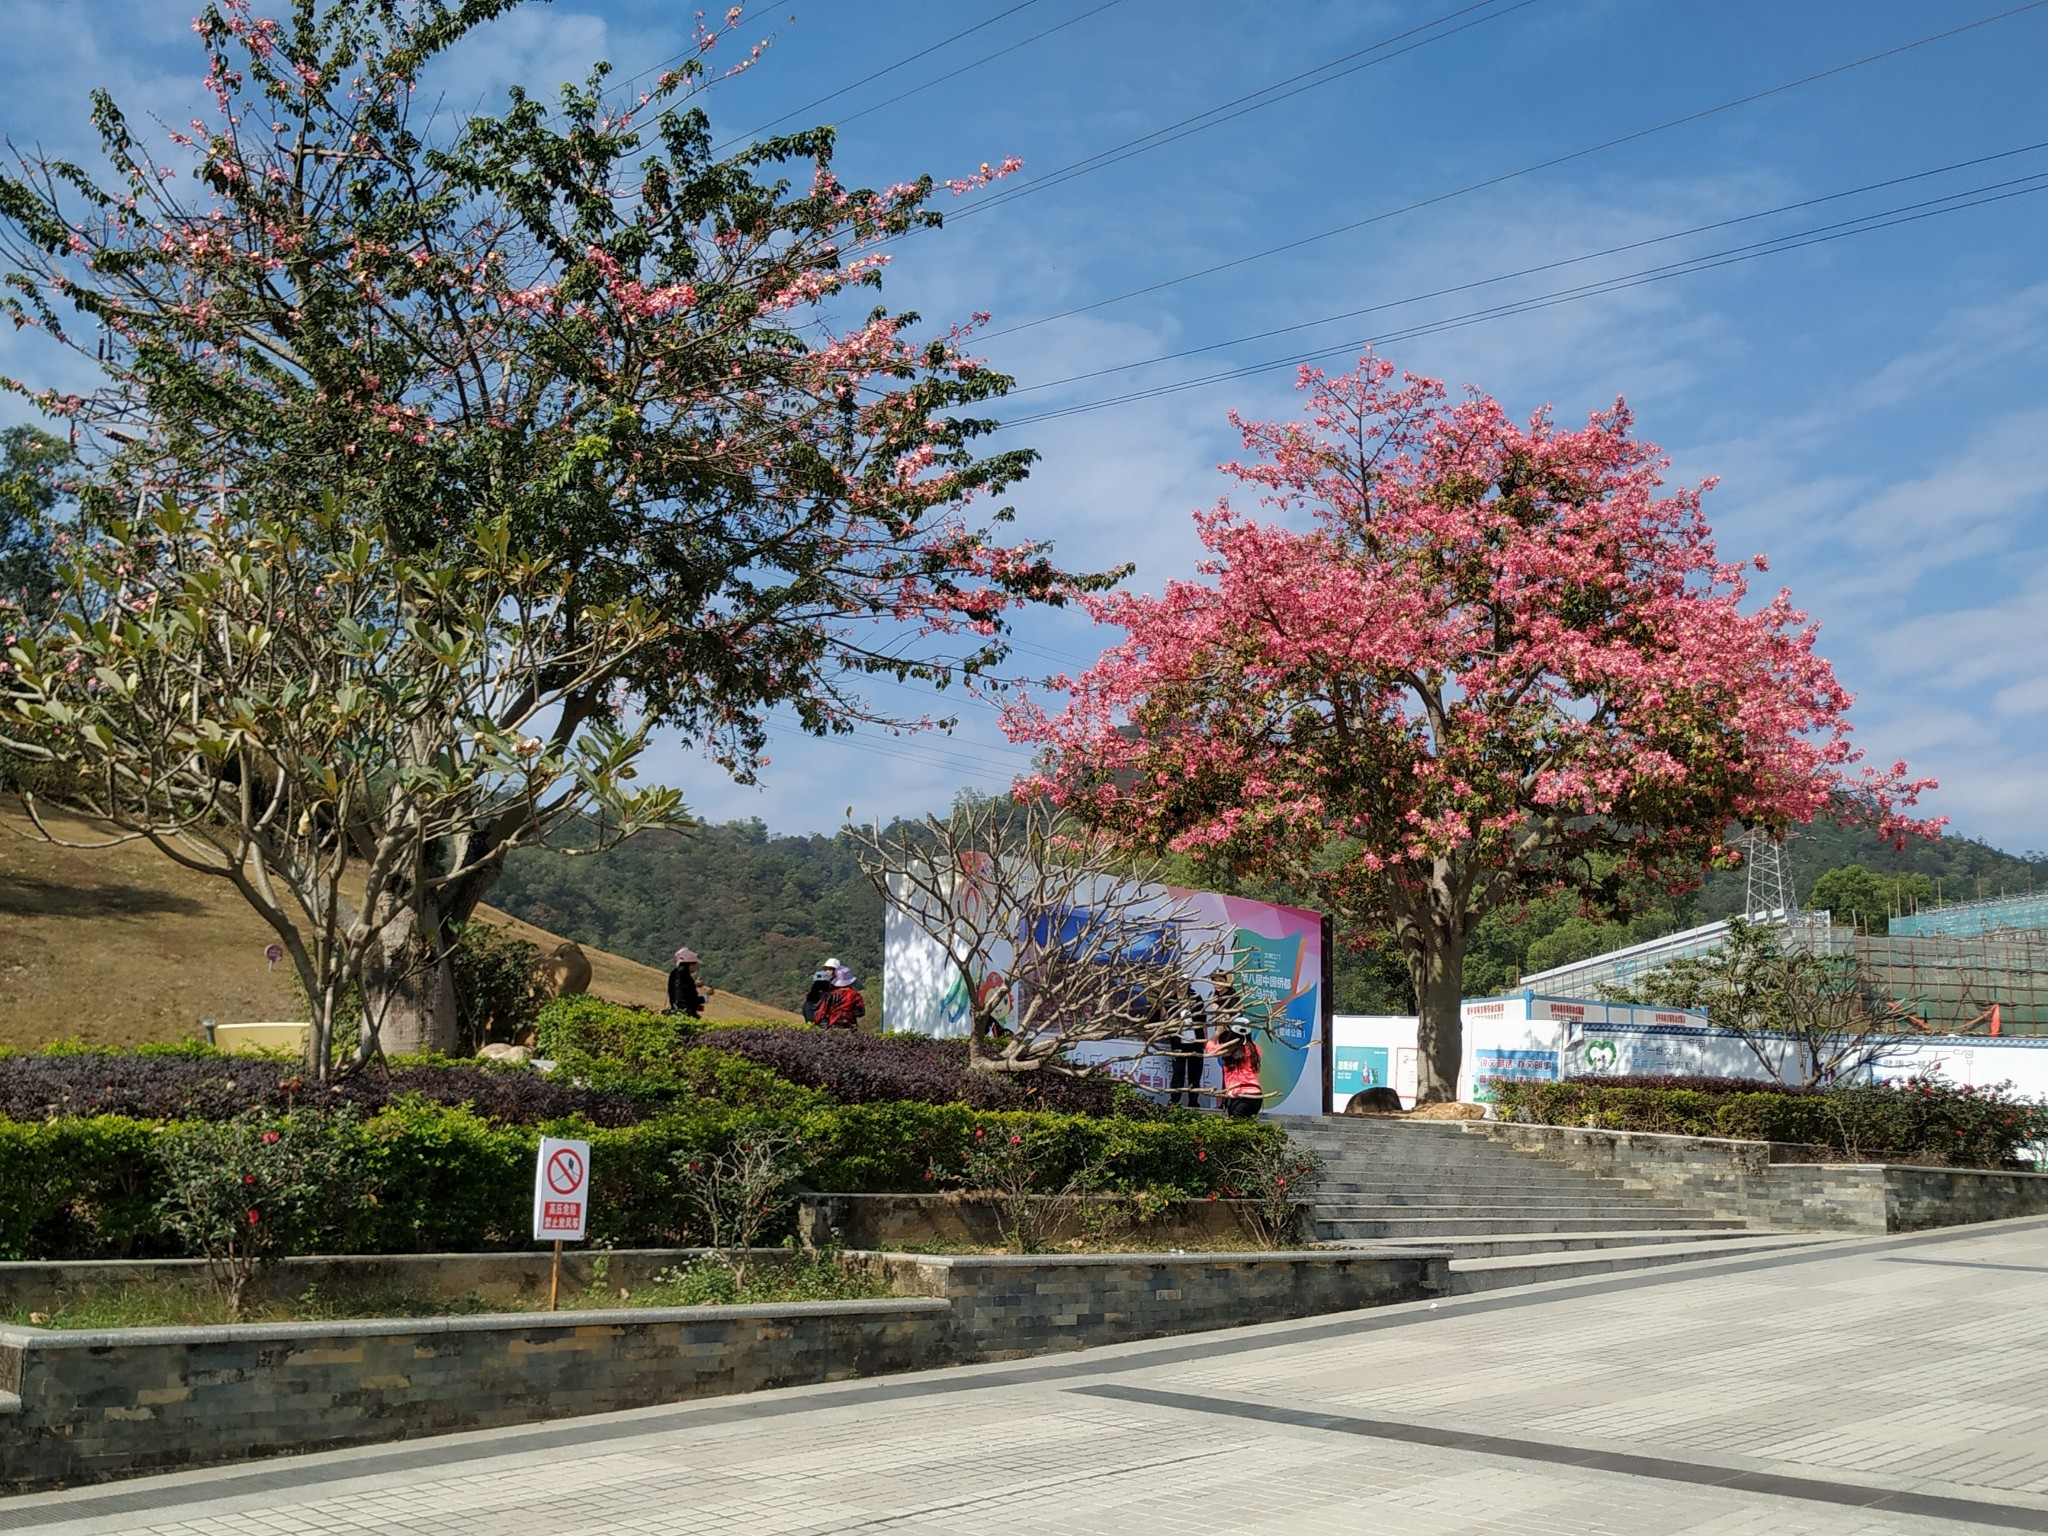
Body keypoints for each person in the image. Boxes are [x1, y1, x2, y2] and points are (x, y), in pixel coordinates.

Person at [1165, 980, 1209, 1109]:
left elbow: (1203, 1021)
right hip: (1179, 1041)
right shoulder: (1171, 999)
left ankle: (1193, 1101)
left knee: (1195, 1073)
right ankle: (1174, 1101)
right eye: (1179, 983)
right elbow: (1165, 1018)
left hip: (1195, 1041)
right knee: (1178, 1072)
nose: (1181, 986)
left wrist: (1204, 1040)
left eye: (1184, 983)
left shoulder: (1195, 997)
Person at [1208, 1026, 1264, 1118]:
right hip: (1256, 1095)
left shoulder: (1228, 1049)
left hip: (1238, 1097)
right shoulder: (1254, 1049)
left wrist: (1217, 1033)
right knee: (1249, 1128)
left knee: (1237, 1127)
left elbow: (1210, 1049)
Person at [815, 965, 867, 1030]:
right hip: (850, 1026)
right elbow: (861, 1012)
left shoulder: (830, 994)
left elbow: (823, 1012)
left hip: (832, 1025)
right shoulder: (855, 995)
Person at [667, 947, 712, 1019]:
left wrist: (694, 984)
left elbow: (680, 989)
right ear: (690, 964)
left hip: (675, 1012)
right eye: (696, 964)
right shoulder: (686, 977)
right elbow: (691, 1000)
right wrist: (706, 996)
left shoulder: (674, 973)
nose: (696, 967)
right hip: (686, 1015)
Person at [801, 957, 843, 1024]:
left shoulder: (840, 985)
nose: (827, 971)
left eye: (830, 969)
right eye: (826, 969)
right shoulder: (821, 981)